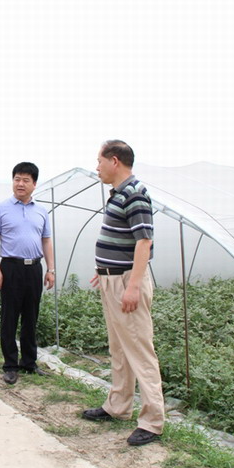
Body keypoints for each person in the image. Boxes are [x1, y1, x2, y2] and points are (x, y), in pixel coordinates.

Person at [81, 140, 165, 447]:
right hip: (112, 279)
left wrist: (132, 285)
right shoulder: (118, 194)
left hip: (128, 283)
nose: (97, 167)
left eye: (100, 161)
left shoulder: (135, 194)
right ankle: (118, 406)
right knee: (119, 348)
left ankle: (153, 421)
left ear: (114, 161)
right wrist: (106, 270)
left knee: (140, 350)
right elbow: (124, 240)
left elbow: (144, 242)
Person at [0, 162, 56, 385]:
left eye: (26, 180)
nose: (20, 184)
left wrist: (51, 269)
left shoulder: (41, 211)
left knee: (31, 316)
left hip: (34, 268)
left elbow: (46, 240)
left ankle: (29, 362)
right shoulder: (1, 208)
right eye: (17, 179)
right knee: (9, 317)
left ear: (34, 184)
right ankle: (10, 365)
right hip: (10, 267)